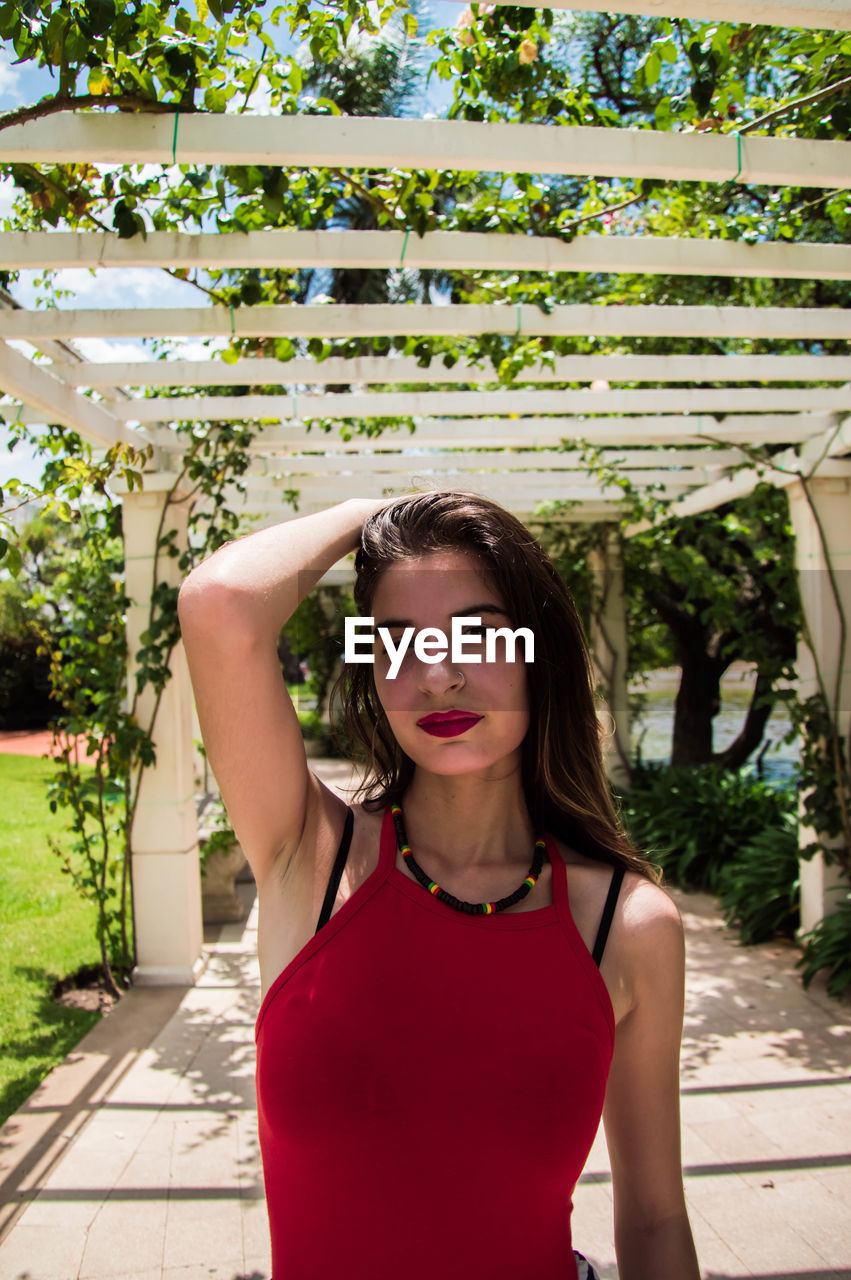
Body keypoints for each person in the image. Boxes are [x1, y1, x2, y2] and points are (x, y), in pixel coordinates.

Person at [178, 490, 701, 1280]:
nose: (436, 677)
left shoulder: (625, 927)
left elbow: (657, 1221)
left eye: (478, 637)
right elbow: (219, 606)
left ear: (538, 652)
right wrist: (378, 509)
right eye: (394, 645)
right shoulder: (312, 860)